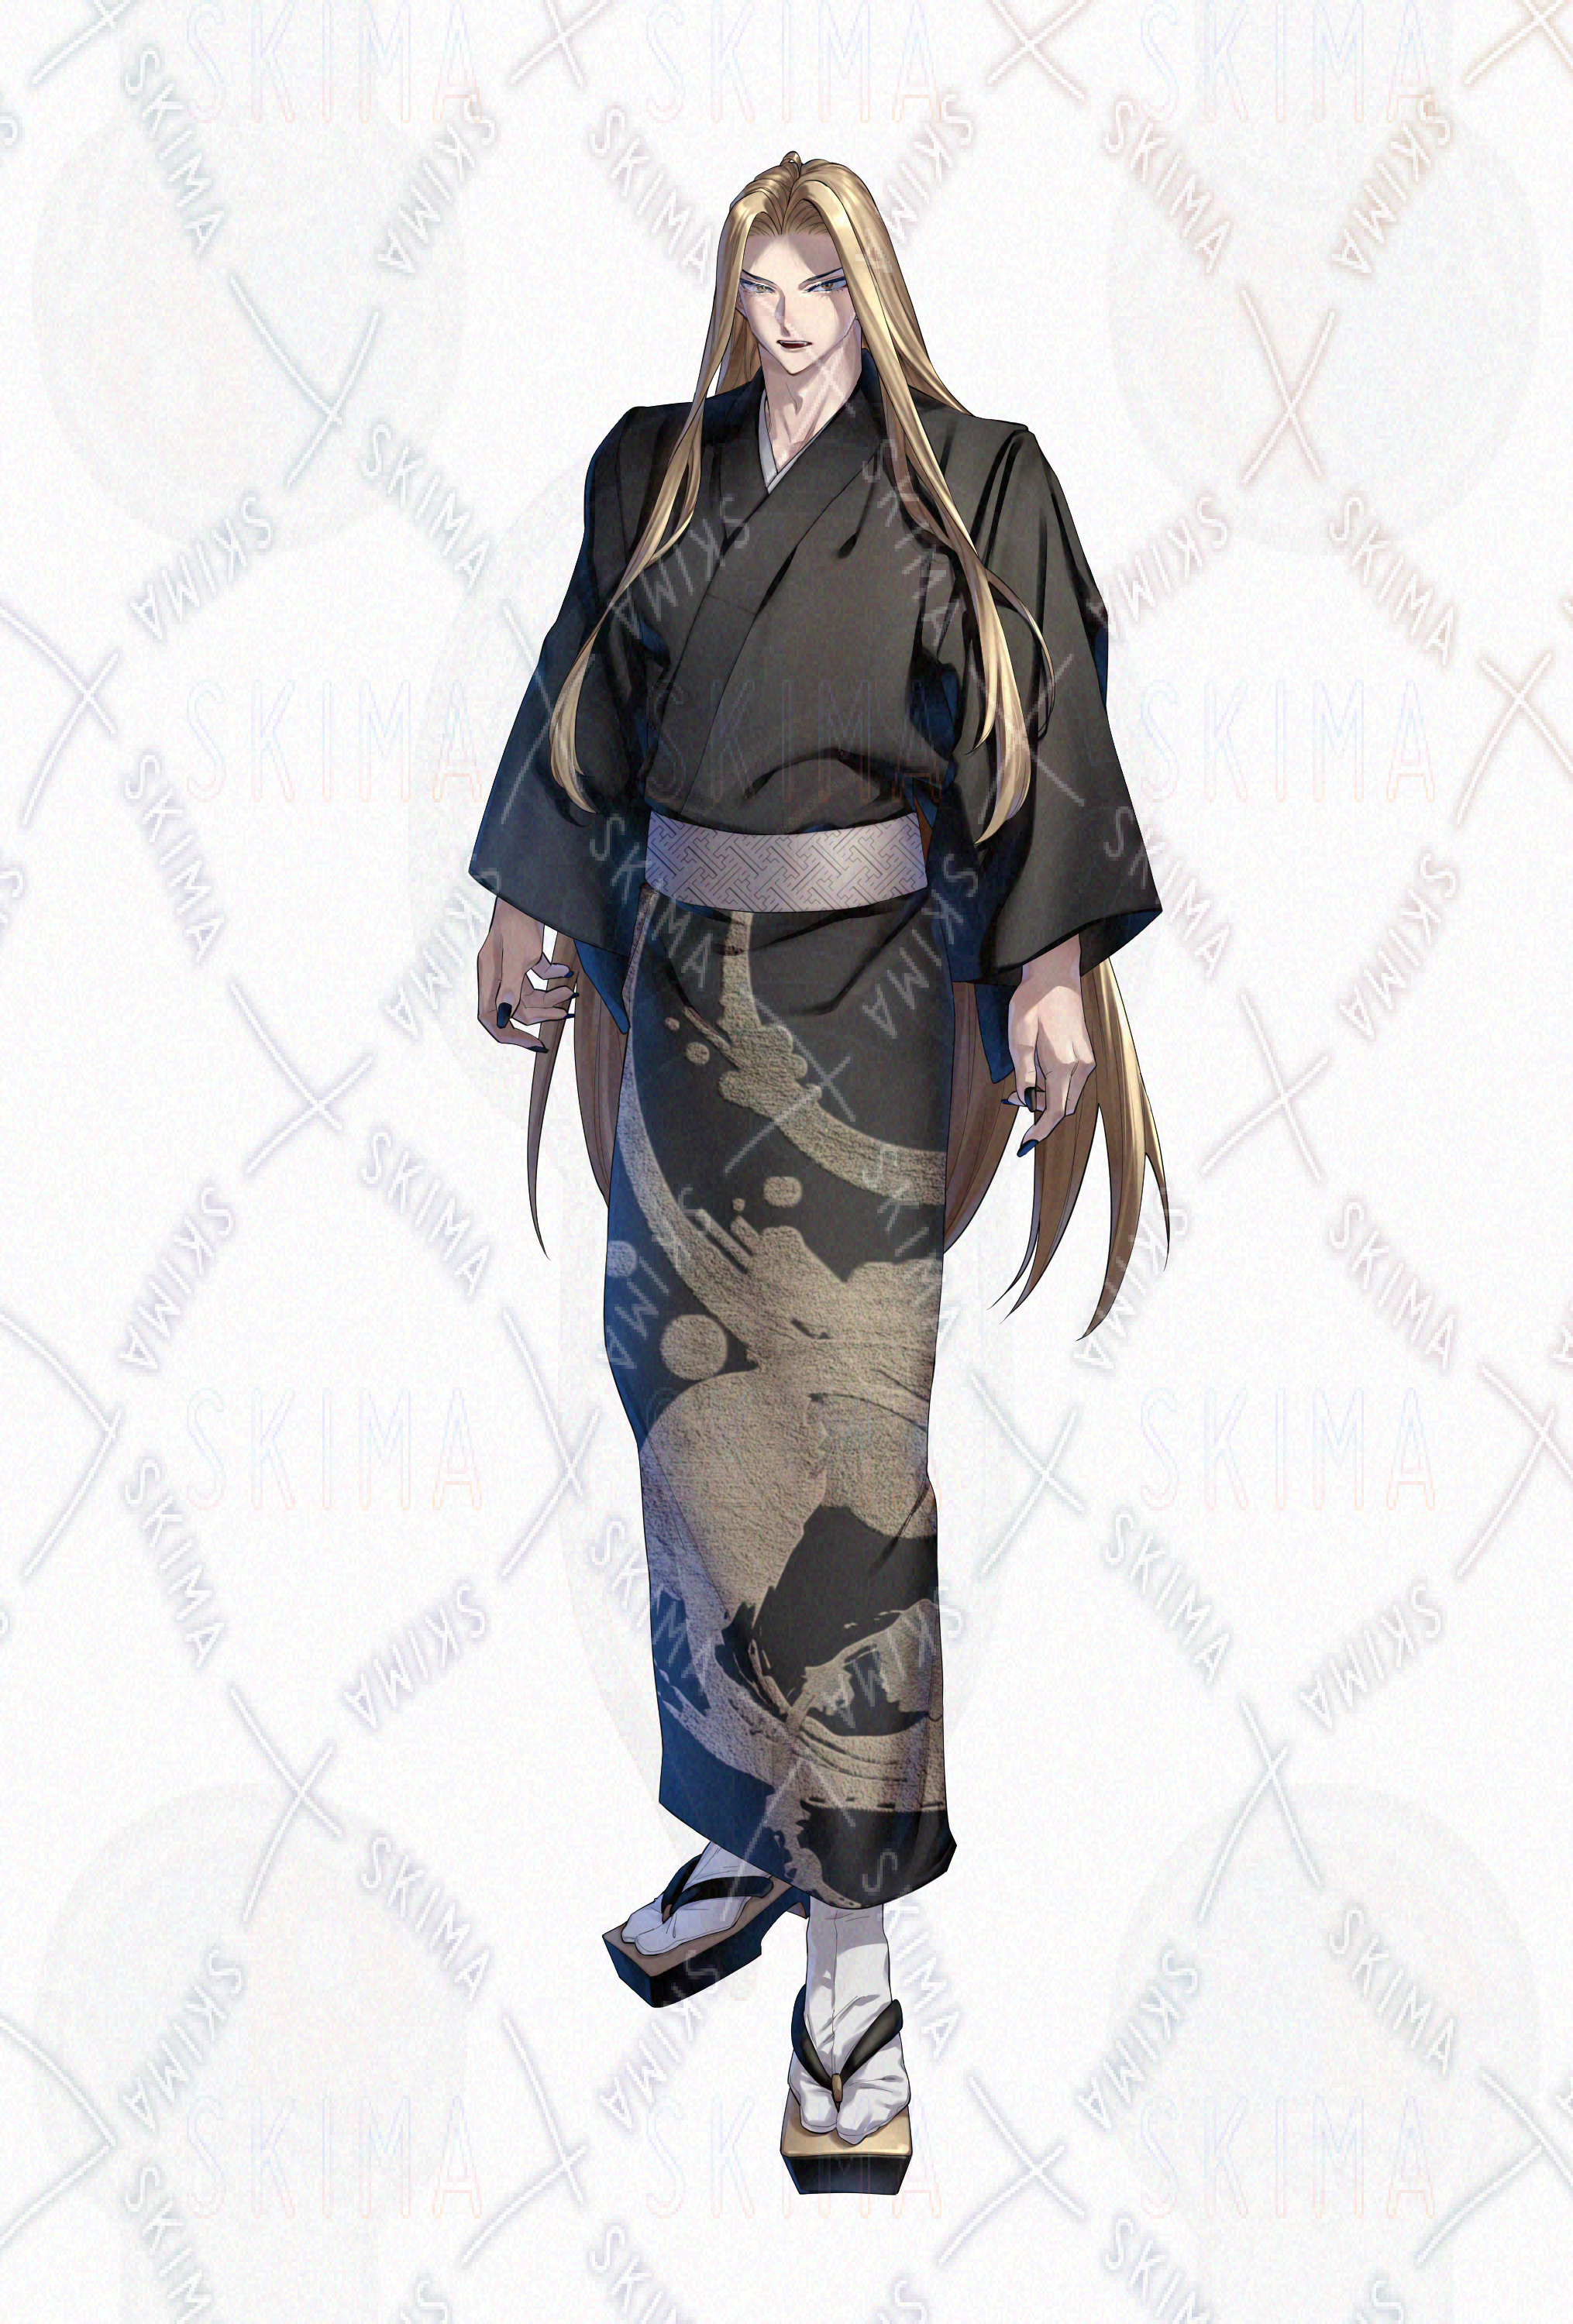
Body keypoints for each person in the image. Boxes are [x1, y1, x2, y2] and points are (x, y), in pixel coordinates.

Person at [469, 156, 1171, 2195]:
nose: (787, 321)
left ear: (867, 291)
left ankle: (852, 1960)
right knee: (690, 1416)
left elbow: (1047, 727)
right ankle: (733, 1824)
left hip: (865, 1009)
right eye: (759, 284)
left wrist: (1049, 973)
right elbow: (583, 709)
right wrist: (525, 911)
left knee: (849, 1453)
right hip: (680, 999)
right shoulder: (656, 471)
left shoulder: (970, 477)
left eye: (821, 285)